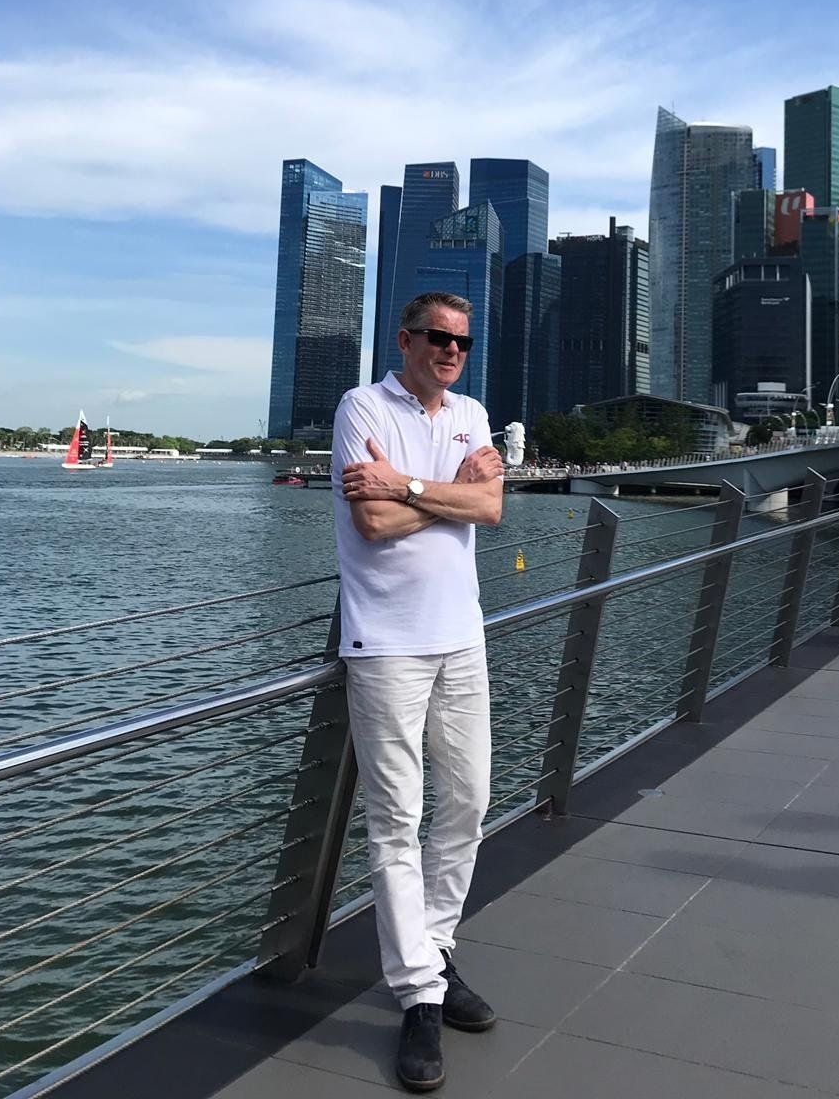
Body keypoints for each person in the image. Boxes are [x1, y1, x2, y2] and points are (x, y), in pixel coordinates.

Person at [331, 292, 504, 1093]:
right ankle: (420, 998)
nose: (450, 350)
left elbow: (493, 506)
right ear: (404, 340)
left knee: (467, 804)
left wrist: (403, 487)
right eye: (436, 337)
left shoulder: (472, 413)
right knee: (396, 821)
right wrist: (443, 494)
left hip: (461, 637)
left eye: (461, 341)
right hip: (387, 646)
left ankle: (432, 954)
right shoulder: (361, 405)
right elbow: (369, 525)